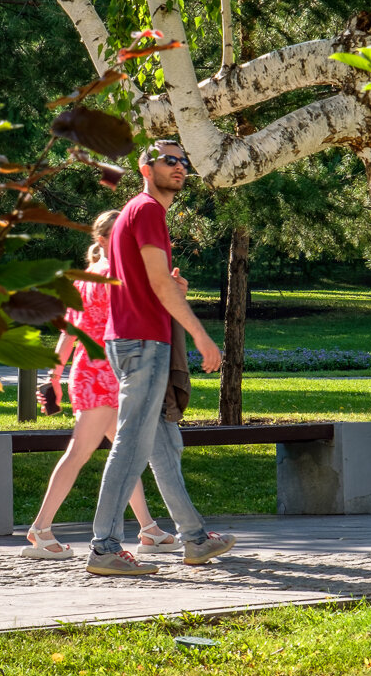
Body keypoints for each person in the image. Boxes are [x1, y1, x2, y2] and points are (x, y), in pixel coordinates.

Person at [86, 140, 234, 576]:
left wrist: (169, 294)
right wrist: (202, 337)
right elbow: (158, 284)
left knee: (164, 445)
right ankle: (104, 548)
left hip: (137, 341)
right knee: (131, 444)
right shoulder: (147, 209)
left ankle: (194, 539)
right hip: (142, 345)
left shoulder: (137, 213)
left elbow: (144, 284)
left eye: (184, 161)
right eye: (170, 160)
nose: (180, 167)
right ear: (145, 167)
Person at [20, 209, 183, 560]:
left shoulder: (85, 277)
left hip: (92, 372)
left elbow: (69, 333)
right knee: (81, 453)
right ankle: (41, 529)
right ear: (105, 239)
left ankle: (148, 529)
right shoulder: (114, 276)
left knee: (124, 453)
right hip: (105, 374)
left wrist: (55, 378)